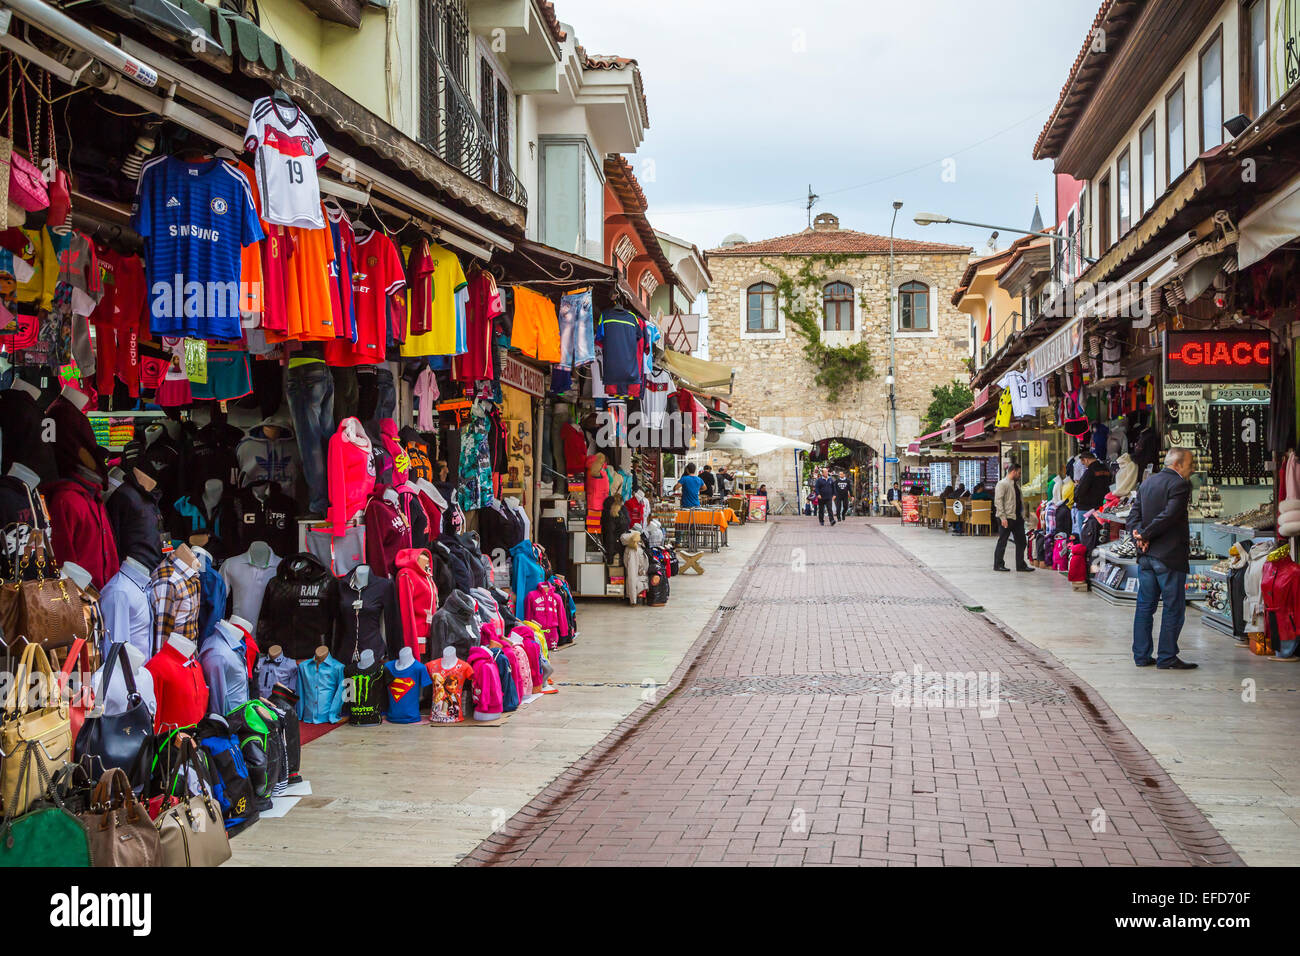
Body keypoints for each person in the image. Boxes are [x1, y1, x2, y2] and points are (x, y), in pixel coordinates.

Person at [1129, 448, 1197, 670]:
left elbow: (1134, 516)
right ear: (1177, 464)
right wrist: (1145, 535)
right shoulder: (1180, 485)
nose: (1193, 468)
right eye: (1190, 464)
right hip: (1168, 555)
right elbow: (1170, 515)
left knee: (1145, 606)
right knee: (1173, 607)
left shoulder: (1147, 482)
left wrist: (1139, 535)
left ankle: (1141, 655)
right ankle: (1167, 656)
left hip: (1147, 556)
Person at [993, 462, 1033, 572]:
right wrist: (1002, 517)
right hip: (1007, 517)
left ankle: (1020, 565)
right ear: (1013, 472)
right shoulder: (1003, 484)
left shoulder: (1016, 485)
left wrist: (1023, 515)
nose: (1020, 475)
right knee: (1003, 541)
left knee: (1021, 541)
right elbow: (998, 501)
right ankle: (998, 564)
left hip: (1017, 517)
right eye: (1019, 473)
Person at [1072, 449, 1111, 532]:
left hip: (1086, 508)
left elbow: (1081, 489)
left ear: (1086, 460)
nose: (1084, 465)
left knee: (1085, 534)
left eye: (1084, 463)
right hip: (1101, 507)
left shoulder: (1089, 471)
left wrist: (1076, 497)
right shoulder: (1106, 469)